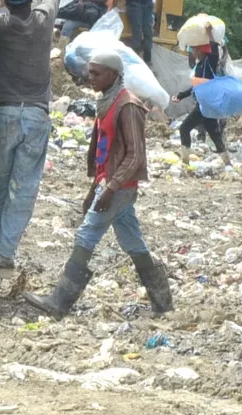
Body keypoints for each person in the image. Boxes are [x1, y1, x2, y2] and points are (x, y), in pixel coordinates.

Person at [23, 49, 173, 317]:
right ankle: (163, 303)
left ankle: (59, 302)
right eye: (89, 72)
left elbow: (135, 154)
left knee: (86, 234)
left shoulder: (127, 106)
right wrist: (95, 187)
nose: (89, 78)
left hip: (120, 186)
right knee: (133, 242)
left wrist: (110, 188)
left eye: (96, 73)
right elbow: (104, 151)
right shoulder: (108, 102)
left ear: (113, 75)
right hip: (110, 183)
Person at [0, 0, 69, 269]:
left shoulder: (0, 27)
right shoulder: (44, 21)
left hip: (4, 113)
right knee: (25, 187)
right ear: (30, 0)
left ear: (6, 2)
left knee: (1, 182)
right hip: (35, 115)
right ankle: (3, 252)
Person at [173, 33, 229, 165]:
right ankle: (228, 163)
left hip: (204, 105)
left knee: (184, 128)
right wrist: (180, 96)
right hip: (207, 104)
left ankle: (185, 161)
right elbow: (196, 87)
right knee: (214, 134)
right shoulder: (200, 66)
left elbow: (214, 49)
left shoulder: (210, 61)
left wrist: (209, 33)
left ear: (200, 50)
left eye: (194, 50)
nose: (193, 53)